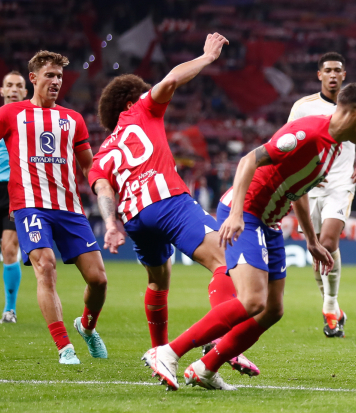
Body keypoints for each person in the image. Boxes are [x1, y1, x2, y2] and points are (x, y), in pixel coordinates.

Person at [143, 83, 356, 391]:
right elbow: (249, 161)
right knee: (253, 300)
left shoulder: (333, 147)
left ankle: (206, 368)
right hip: (247, 214)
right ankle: (168, 352)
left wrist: (311, 240)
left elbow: (296, 190)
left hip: (270, 221)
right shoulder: (307, 133)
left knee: (272, 310)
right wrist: (238, 213)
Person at [90, 33, 259, 377]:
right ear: (128, 102)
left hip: (135, 217)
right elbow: (171, 80)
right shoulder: (141, 108)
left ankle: (159, 351)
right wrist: (207, 57)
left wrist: (110, 224)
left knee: (159, 279)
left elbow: (102, 187)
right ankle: (221, 344)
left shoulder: (103, 151)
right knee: (225, 260)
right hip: (167, 200)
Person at [0, 51, 109, 364]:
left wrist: (104, 190)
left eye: (60, 77)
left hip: (69, 209)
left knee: (99, 280)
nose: (56, 82)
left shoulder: (72, 119)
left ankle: (87, 328)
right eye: (50, 75)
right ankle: (65, 347)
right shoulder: (10, 114)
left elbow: (89, 168)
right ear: (33, 78)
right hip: (29, 207)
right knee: (45, 266)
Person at [287, 53, 356, 337]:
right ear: (319, 75)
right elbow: (287, 139)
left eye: (338, 70)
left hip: (341, 183)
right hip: (308, 187)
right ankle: (333, 305)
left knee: (327, 240)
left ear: (344, 74)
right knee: (316, 251)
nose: (333, 75)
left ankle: (328, 306)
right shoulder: (303, 107)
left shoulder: (355, 107)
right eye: (328, 70)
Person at [1, 71, 27, 323]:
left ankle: (9, 309)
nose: (14, 89)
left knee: (10, 248)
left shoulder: (28, 122)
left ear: (25, 92)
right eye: (9, 85)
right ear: (2, 90)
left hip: (13, 190)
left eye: (19, 86)